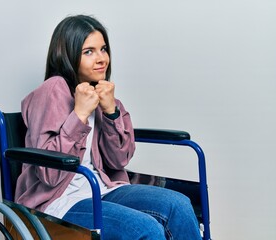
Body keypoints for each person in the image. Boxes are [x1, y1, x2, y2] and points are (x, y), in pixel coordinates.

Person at [15, 14, 201, 240]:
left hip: (103, 189)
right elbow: (49, 175)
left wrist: (111, 111)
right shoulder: (53, 90)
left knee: (179, 205)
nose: (101, 58)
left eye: (103, 49)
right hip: (58, 202)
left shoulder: (100, 94)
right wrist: (79, 115)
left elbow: (119, 161)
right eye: (89, 52)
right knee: (145, 230)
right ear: (67, 56)